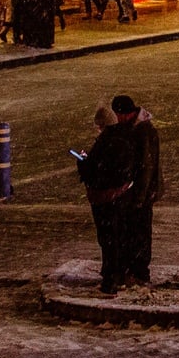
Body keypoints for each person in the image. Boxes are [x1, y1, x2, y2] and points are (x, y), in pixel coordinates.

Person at [77, 105, 133, 294]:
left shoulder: (106, 144)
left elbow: (95, 172)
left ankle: (111, 278)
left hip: (105, 198)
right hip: (118, 196)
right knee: (116, 237)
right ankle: (116, 273)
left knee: (109, 238)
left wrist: (83, 162)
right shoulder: (123, 142)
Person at [110, 95, 161, 285]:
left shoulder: (143, 131)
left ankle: (139, 272)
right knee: (135, 232)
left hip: (141, 193)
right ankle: (135, 270)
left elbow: (147, 167)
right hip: (137, 192)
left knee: (139, 232)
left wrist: (140, 197)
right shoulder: (136, 128)